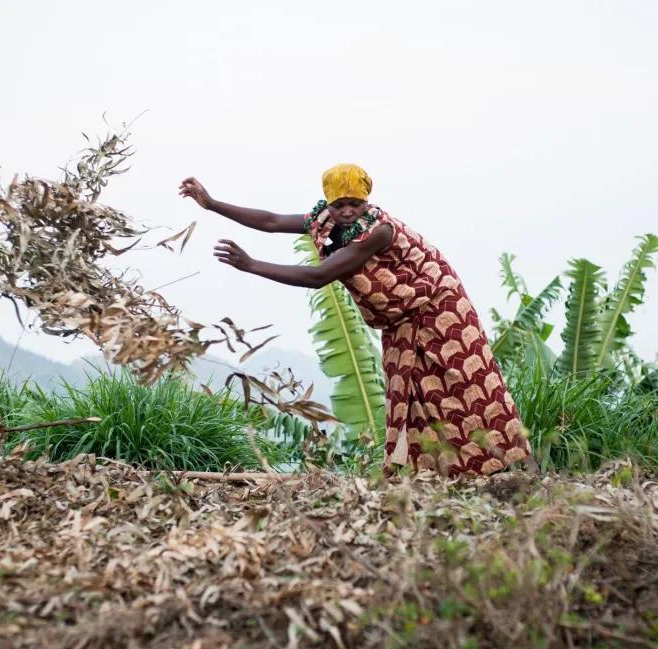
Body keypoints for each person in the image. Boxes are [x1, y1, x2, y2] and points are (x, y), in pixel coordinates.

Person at [180, 164, 532, 476]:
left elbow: (319, 277)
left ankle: (511, 463)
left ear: (367, 201)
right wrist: (212, 204)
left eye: (355, 204)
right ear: (328, 204)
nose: (347, 212)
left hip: (439, 308)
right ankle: (441, 471)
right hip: (403, 318)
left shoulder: (378, 231)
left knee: (464, 385)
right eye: (339, 205)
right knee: (414, 392)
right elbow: (271, 221)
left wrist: (252, 265)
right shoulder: (324, 220)